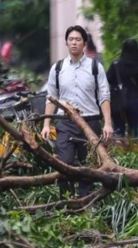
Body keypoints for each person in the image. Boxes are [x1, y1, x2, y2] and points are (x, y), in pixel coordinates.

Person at [41, 25, 114, 198]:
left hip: (90, 122)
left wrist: (108, 123)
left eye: (78, 39)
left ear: (84, 43)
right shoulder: (57, 69)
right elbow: (51, 97)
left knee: (87, 165)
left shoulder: (96, 68)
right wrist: (46, 124)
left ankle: (85, 201)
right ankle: (67, 202)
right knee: (64, 163)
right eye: (71, 39)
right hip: (65, 123)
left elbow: (104, 96)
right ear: (66, 42)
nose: (74, 43)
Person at [106, 39, 138, 138]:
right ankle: (134, 150)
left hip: (118, 101)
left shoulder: (116, 65)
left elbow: (107, 79)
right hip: (134, 100)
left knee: (118, 131)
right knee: (134, 131)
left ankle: (119, 151)